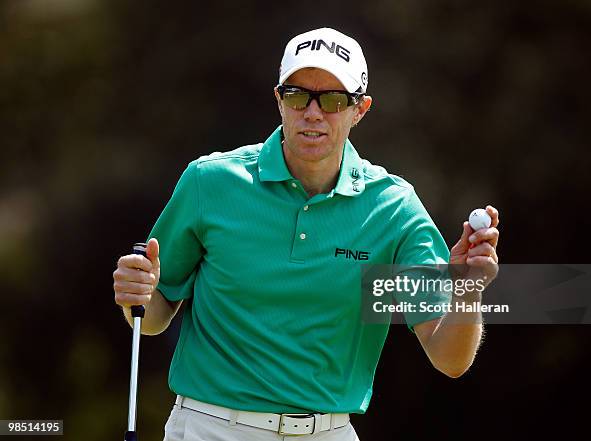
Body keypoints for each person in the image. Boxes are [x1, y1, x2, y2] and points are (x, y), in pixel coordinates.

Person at [113, 27, 500, 441]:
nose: (313, 113)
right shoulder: (210, 182)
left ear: (360, 110)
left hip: (327, 432)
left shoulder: (393, 210)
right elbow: (153, 316)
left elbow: (448, 357)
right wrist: (137, 294)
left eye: (333, 100)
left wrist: (467, 292)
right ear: (279, 100)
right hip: (211, 427)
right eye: (299, 96)